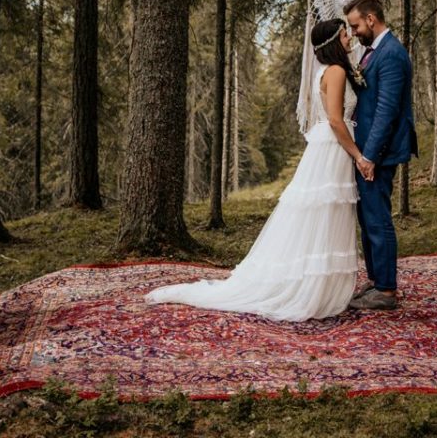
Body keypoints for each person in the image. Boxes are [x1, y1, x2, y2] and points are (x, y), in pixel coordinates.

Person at [144, 19, 364, 321]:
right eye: (344, 34)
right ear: (333, 43)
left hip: (327, 146)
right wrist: (359, 155)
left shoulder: (327, 72)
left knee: (324, 215)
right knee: (326, 214)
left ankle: (319, 283)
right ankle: (315, 288)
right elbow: (338, 121)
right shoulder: (337, 71)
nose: (349, 37)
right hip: (335, 146)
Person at [344, 0, 417, 311]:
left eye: (356, 25)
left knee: (377, 217)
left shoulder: (391, 54)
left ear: (371, 19)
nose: (355, 31)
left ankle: (386, 290)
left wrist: (369, 156)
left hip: (381, 153)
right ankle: (376, 280)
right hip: (369, 150)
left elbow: (387, 110)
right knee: (367, 216)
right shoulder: (374, 52)